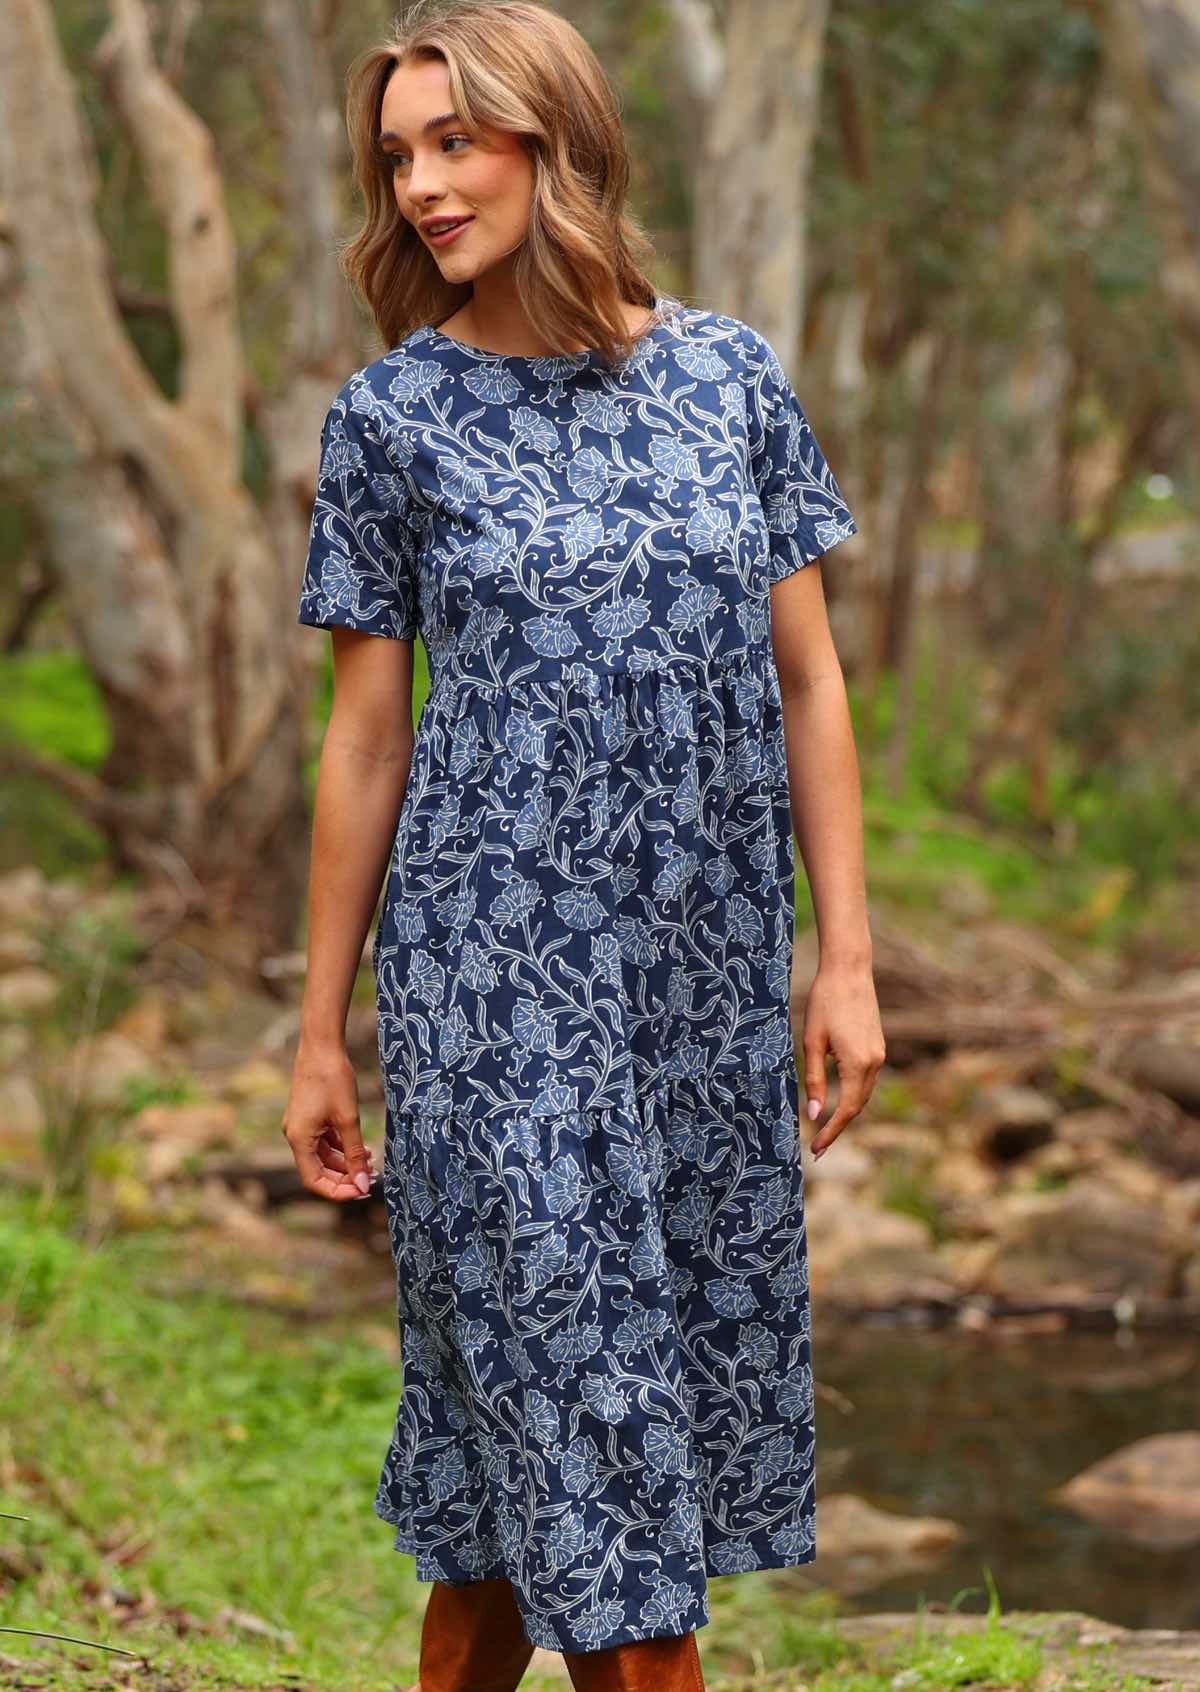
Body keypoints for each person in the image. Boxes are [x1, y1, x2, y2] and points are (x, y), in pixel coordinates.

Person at [282, 1, 886, 1687]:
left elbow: (812, 682)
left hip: (698, 986)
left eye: (452, 141)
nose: (418, 187)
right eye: (397, 156)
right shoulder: (391, 424)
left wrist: (839, 960)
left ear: (555, 139)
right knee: (600, 1436)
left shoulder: (728, 380)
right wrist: (324, 1030)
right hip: (494, 997)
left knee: (510, 1487)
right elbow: (366, 739)